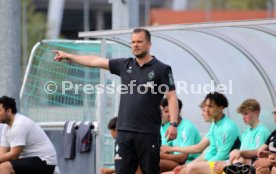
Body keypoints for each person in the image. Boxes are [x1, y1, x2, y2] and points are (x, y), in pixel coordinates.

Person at [53, 28, 179, 174]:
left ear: (149, 44)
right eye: (133, 42)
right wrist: (68, 56)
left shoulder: (162, 69)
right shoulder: (125, 65)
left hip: (148, 132)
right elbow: (95, 61)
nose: (135, 45)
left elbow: (171, 97)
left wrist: (173, 124)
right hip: (124, 132)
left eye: (139, 41)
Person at [164, 92, 241, 174]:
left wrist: (194, 166)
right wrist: (188, 165)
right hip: (216, 162)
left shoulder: (228, 128)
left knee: (190, 169)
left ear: (221, 108)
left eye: (210, 106)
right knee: (181, 170)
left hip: (226, 165)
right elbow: (211, 151)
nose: (206, 110)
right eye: (206, 106)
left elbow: (221, 156)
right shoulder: (215, 125)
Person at [0, 96, 57, 174]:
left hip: (45, 162)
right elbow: (2, 153)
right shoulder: (6, 127)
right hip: (30, 161)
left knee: (4, 168)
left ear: (9, 111)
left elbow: (14, 155)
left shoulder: (19, 124)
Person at [213, 99, 270, 174]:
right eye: (242, 114)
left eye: (246, 113)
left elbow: (257, 155)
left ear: (256, 113)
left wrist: (238, 154)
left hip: (249, 166)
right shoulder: (246, 131)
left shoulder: (262, 131)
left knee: (234, 161)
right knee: (214, 165)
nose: (243, 117)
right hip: (238, 163)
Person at [160, 98, 201, 172]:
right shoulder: (168, 126)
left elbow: (183, 158)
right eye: (166, 111)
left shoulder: (187, 127)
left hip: (189, 163)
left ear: (178, 110)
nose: (168, 114)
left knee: (153, 163)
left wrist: (161, 155)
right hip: (179, 161)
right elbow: (166, 149)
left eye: (171, 111)